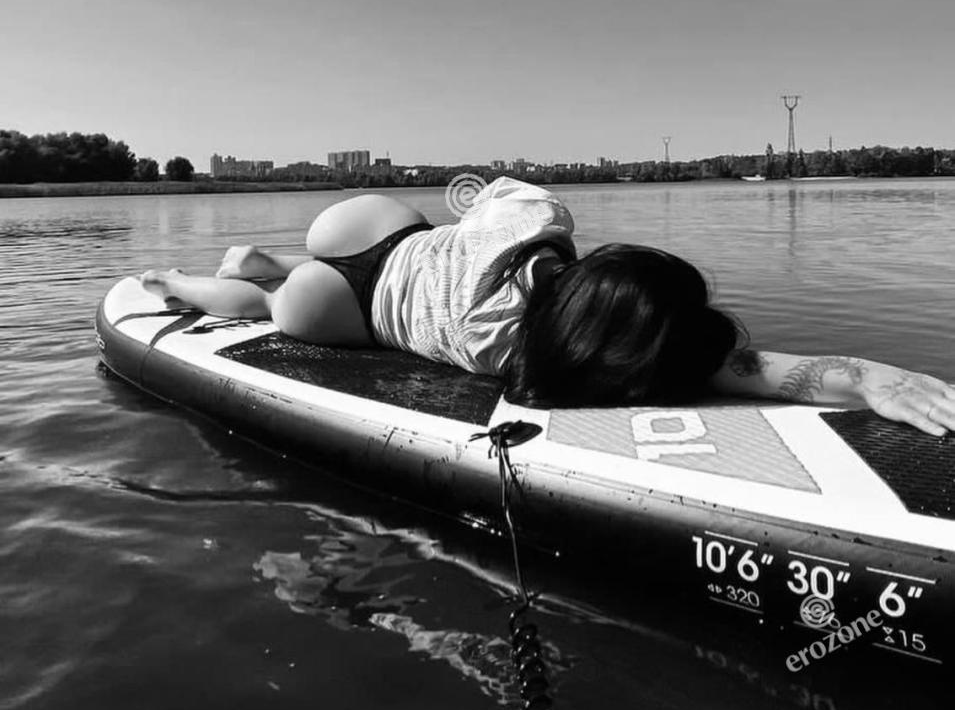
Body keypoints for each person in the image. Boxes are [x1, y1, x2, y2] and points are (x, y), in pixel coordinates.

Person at [140, 177, 955, 436]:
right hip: (352, 299)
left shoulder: (543, 223)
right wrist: (866, 376)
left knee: (283, 278)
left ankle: (261, 260)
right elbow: (752, 371)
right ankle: (196, 282)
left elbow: (490, 193)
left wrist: (472, 222)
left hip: (378, 223)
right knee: (262, 304)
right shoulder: (507, 352)